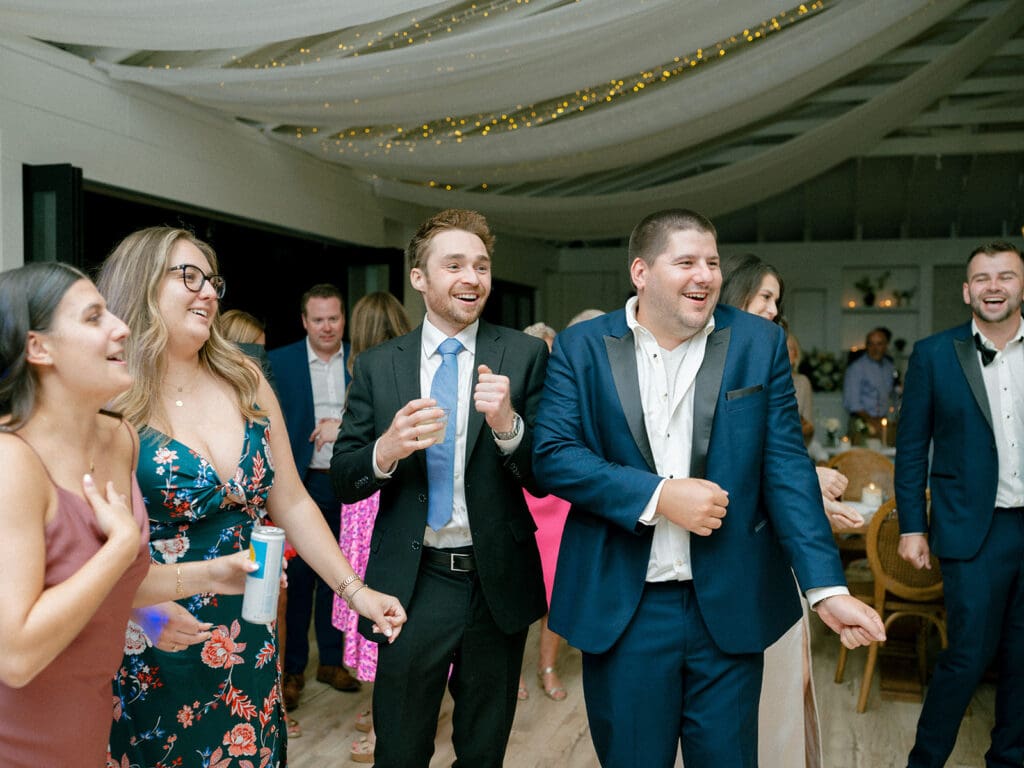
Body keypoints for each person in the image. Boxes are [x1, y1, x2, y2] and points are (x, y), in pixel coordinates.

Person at [533, 209, 885, 768]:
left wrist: (826, 589)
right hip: (625, 610)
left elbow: (787, 469)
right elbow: (552, 456)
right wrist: (658, 495)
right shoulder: (582, 346)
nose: (706, 275)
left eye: (713, 262)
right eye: (687, 262)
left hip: (728, 605)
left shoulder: (757, 342)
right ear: (642, 272)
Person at [97, 227, 406, 768]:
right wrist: (143, 618)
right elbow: (88, 555)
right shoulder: (109, 397)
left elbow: (291, 502)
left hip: (248, 632)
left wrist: (355, 592)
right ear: (141, 283)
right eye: (188, 276)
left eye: (212, 279)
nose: (209, 292)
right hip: (149, 639)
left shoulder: (245, 381)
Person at [0, 262, 255, 768]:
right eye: (94, 317)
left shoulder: (120, 439)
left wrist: (209, 574)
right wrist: (118, 548)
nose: (121, 327)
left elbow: (101, 586)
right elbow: (18, 655)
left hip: (87, 728)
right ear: (38, 348)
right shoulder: (11, 461)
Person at [331, 208, 549, 768]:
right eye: (454, 265)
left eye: (480, 265)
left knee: (483, 751)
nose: (471, 278)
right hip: (411, 581)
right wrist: (387, 448)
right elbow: (344, 479)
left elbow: (545, 474)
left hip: (495, 580)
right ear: (419, 277)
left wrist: (509, 427)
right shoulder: (380, 367)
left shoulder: (523, 357)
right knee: (400, 750)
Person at [720, 252, 864, 768]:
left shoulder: (769, 358)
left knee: (788, 684)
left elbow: (774, 459)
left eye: (777, 302)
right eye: (765, 297)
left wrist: (811, 489)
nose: (773, 311)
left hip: (776, 553)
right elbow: (725, 472)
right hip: (730, 558)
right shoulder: (708, 365)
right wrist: (811, 483)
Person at [895, 241, 1024, 767]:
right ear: (967, 290)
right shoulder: (934, 353)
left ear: (1022, 286)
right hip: (973, 530)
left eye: (1007, 276)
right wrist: (911, 527)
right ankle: (924, 763)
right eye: (983, 278)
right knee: (968, 656)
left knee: (1023, 658)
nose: (994, 286)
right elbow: (910, 448)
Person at [328, 290, 412, 763]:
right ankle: (382, 711)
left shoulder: (367, 368)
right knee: (386, 603)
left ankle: (385, 728)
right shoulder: (409, 365)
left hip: (369, 502)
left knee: (377, 611)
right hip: (387, 495)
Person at [268, 283, 358, 708]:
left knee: (340, 571)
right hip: (299, 483)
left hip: (348, 482)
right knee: (300, 579)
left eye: (334, 319)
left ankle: (334, 661)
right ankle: (293, 670)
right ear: (304, 321)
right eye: (318, 319)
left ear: (344, 319)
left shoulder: (361, 362)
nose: (327, 327)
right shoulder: (279, 362)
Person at [519, 321, 571, 702]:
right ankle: (510, 670)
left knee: (556, 589)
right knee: (516, 590)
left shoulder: (568, 394)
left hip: (560, 500)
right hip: (518, 499)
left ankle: (547, 665)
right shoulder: (505, 395)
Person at [843, 326, 898, 440]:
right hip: (861, 421)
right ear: (866, 346)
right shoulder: (856, 368)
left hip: (883, 421)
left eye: (879, 344)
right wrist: (871, 421)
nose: (875, 348)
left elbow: (892, 396)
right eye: (871, 344)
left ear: (886, 346)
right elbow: (852, 403)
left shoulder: (889, 366)